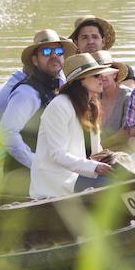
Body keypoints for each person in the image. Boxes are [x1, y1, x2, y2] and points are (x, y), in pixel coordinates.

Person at [30, 53, 117, 198]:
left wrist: (106, 158)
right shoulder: (59, 106)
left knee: (126, 176)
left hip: (82, 174)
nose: (102, 78)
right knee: (114, 186)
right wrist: (95, 167)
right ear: (81, 81)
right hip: (58, 180)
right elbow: (58, 154)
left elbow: (94, 150)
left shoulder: (91, 106)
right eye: (96, 75)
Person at [0, 30, 76, 192]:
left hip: (54, 168)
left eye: (58, 51)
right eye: (47, 52)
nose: (54, 56)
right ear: (35, 60)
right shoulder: (27, 93)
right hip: (23, 174)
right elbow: (7, 133)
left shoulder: (61, 83)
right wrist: (35, 162)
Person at [91, 50, 132, 150]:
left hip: (121, 152)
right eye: (97, 73)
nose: (101, 76)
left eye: (106, 71)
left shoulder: (128, 97)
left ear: (114, 74)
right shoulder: (91, 98)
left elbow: (124, 135)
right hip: (96, 154)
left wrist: (96, 149)